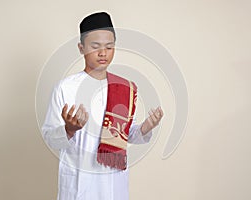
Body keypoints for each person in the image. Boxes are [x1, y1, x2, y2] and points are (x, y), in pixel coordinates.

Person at [42, 11, 164, 200]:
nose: (103, 53)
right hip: (79, 183)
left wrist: (146, 128)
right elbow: (50, 137)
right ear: (81, 48)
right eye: (95, 46)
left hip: (113, 183)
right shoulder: (65, 88)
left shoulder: (123, 88)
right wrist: (69, 129)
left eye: (109, 46)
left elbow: (124, 134)